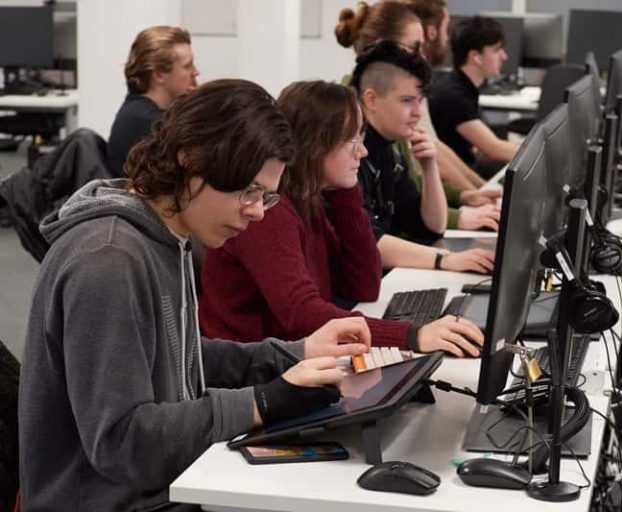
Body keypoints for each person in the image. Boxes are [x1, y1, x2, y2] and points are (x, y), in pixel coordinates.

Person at [19, 79, 372, 511]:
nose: (258, 211)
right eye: (248, 190)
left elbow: (178, 356)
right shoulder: (108, 261)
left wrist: (294, 355)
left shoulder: (168, 236)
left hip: (163, 486)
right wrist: (266, 401)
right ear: (191, 160)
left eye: (266, 195)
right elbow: (123, 442)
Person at [200, 80, 484, 358]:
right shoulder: (269, 213)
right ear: (314, 145)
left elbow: (363, 285)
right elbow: (302, 313)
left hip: (288, 358)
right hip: (249, 372)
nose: (363, 152)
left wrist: (347, 194)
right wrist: (413, 336)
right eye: (351, 141)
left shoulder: (308, 200)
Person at [336, 1, 501, 231]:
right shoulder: (351, 121)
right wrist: (454, 227)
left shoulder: (391, 127)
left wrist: (465, 195)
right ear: (385, 48)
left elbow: (412, 189)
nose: (421, 56)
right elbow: (369, 233)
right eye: (415, 47)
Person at [352, 40, 495, 273]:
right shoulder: (351, 154)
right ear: (371, 99)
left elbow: (431, 226)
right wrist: (444, 259)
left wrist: (429, 167)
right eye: (407, 101)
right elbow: (367, 241)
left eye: (420, 101)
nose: (418, 113)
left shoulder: (389, 149)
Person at [428, 16, 522, 168]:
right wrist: (545, 155)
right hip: (459, 176)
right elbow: (494, 149)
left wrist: (530, 145)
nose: (504, 57)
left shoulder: (460, 86)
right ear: (476, 57)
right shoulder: (454, 96)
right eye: (496, 50)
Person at [106, 25, 199, 176]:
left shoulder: (138, 109)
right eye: (187, 66)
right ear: (159, 75)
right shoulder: (147, 121)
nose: (196, 72)